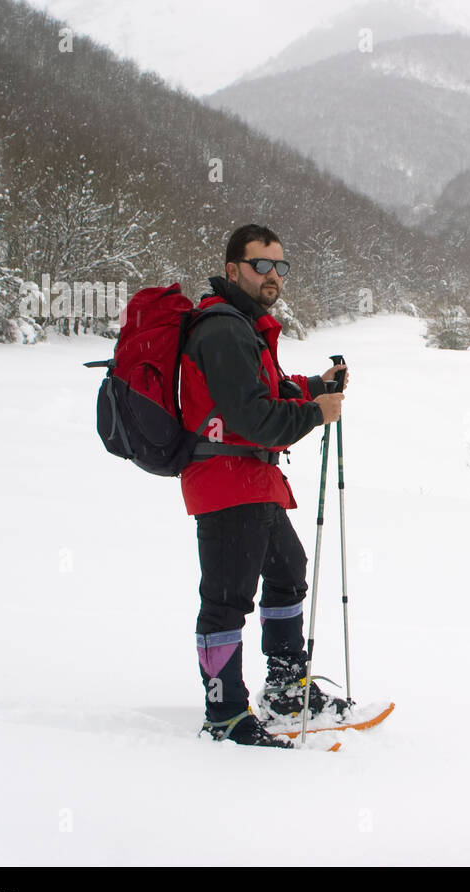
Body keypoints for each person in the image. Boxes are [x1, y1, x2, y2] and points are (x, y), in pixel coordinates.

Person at [179, 223, 348, 747]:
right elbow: (252, 415)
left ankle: (283, 688)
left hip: (253, 478)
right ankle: (225, 712)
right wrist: (315, 415)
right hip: (227, 478)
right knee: (228, 598)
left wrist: (316, 387)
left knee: (286, 570)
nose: (273, 275)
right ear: (233, 270)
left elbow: (267, 389)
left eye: (280, 266)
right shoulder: (224, 329)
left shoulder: (244, 326)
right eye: (261, 265)